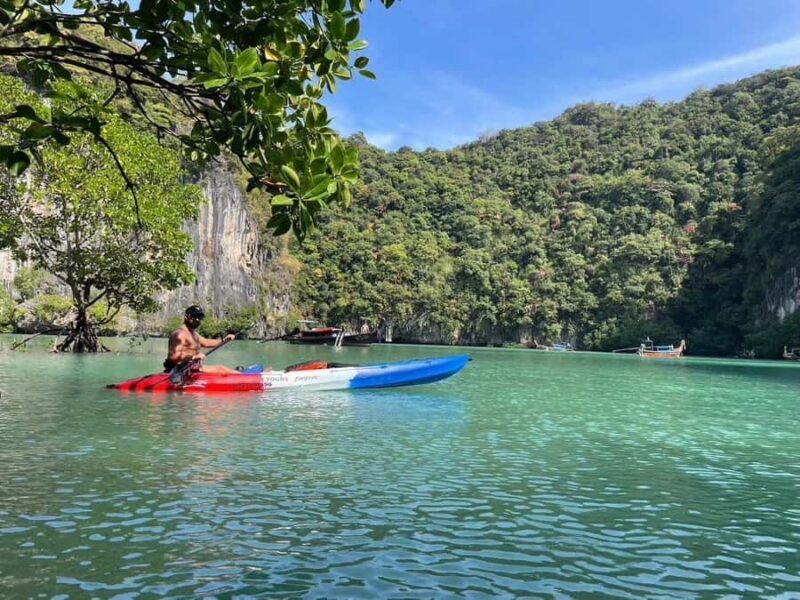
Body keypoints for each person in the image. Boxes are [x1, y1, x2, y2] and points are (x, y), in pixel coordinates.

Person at [164, 305, 239, 374]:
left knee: (221, 368)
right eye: (195, 316)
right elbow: (173, 356)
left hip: (193, 368)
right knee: (221, 369)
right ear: (187, 316)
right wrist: (193, 357)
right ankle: (243, 378)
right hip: (180, 371)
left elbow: (207, 342)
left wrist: (224, 340)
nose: (197, 319)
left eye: (200, 317)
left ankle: (242, 376)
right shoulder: (179, 334)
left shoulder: (193, 334)